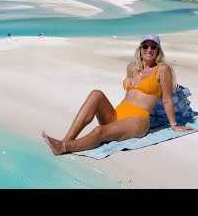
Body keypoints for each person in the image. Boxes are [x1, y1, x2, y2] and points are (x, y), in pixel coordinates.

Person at [42, 34, 194, 155]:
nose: (149, 49)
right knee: (96, 94)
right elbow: (129, 96)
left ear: (158, 50)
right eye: (145, 46)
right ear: (140, 49)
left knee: (99, 131)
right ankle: (67, 139)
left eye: (153, 47)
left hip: (138, 120)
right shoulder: (132, 68)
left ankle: (64, 147)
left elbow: (167, 99)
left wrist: (174, 126)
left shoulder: (162, 69)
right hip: (117, 116)